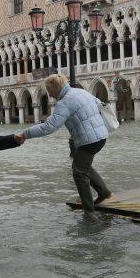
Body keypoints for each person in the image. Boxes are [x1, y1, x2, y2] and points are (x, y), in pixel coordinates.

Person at [17, 74, 112, 215]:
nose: (49, 95)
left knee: (79, 173)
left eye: (49, 91)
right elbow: (99, 104)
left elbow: (48, 127)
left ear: (56, 88)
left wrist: (25, 134)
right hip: (101, 136)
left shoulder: (65, 102)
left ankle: (89, 211)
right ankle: (103, 192)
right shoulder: (80, 91)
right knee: (82, 165)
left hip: (89, 140)